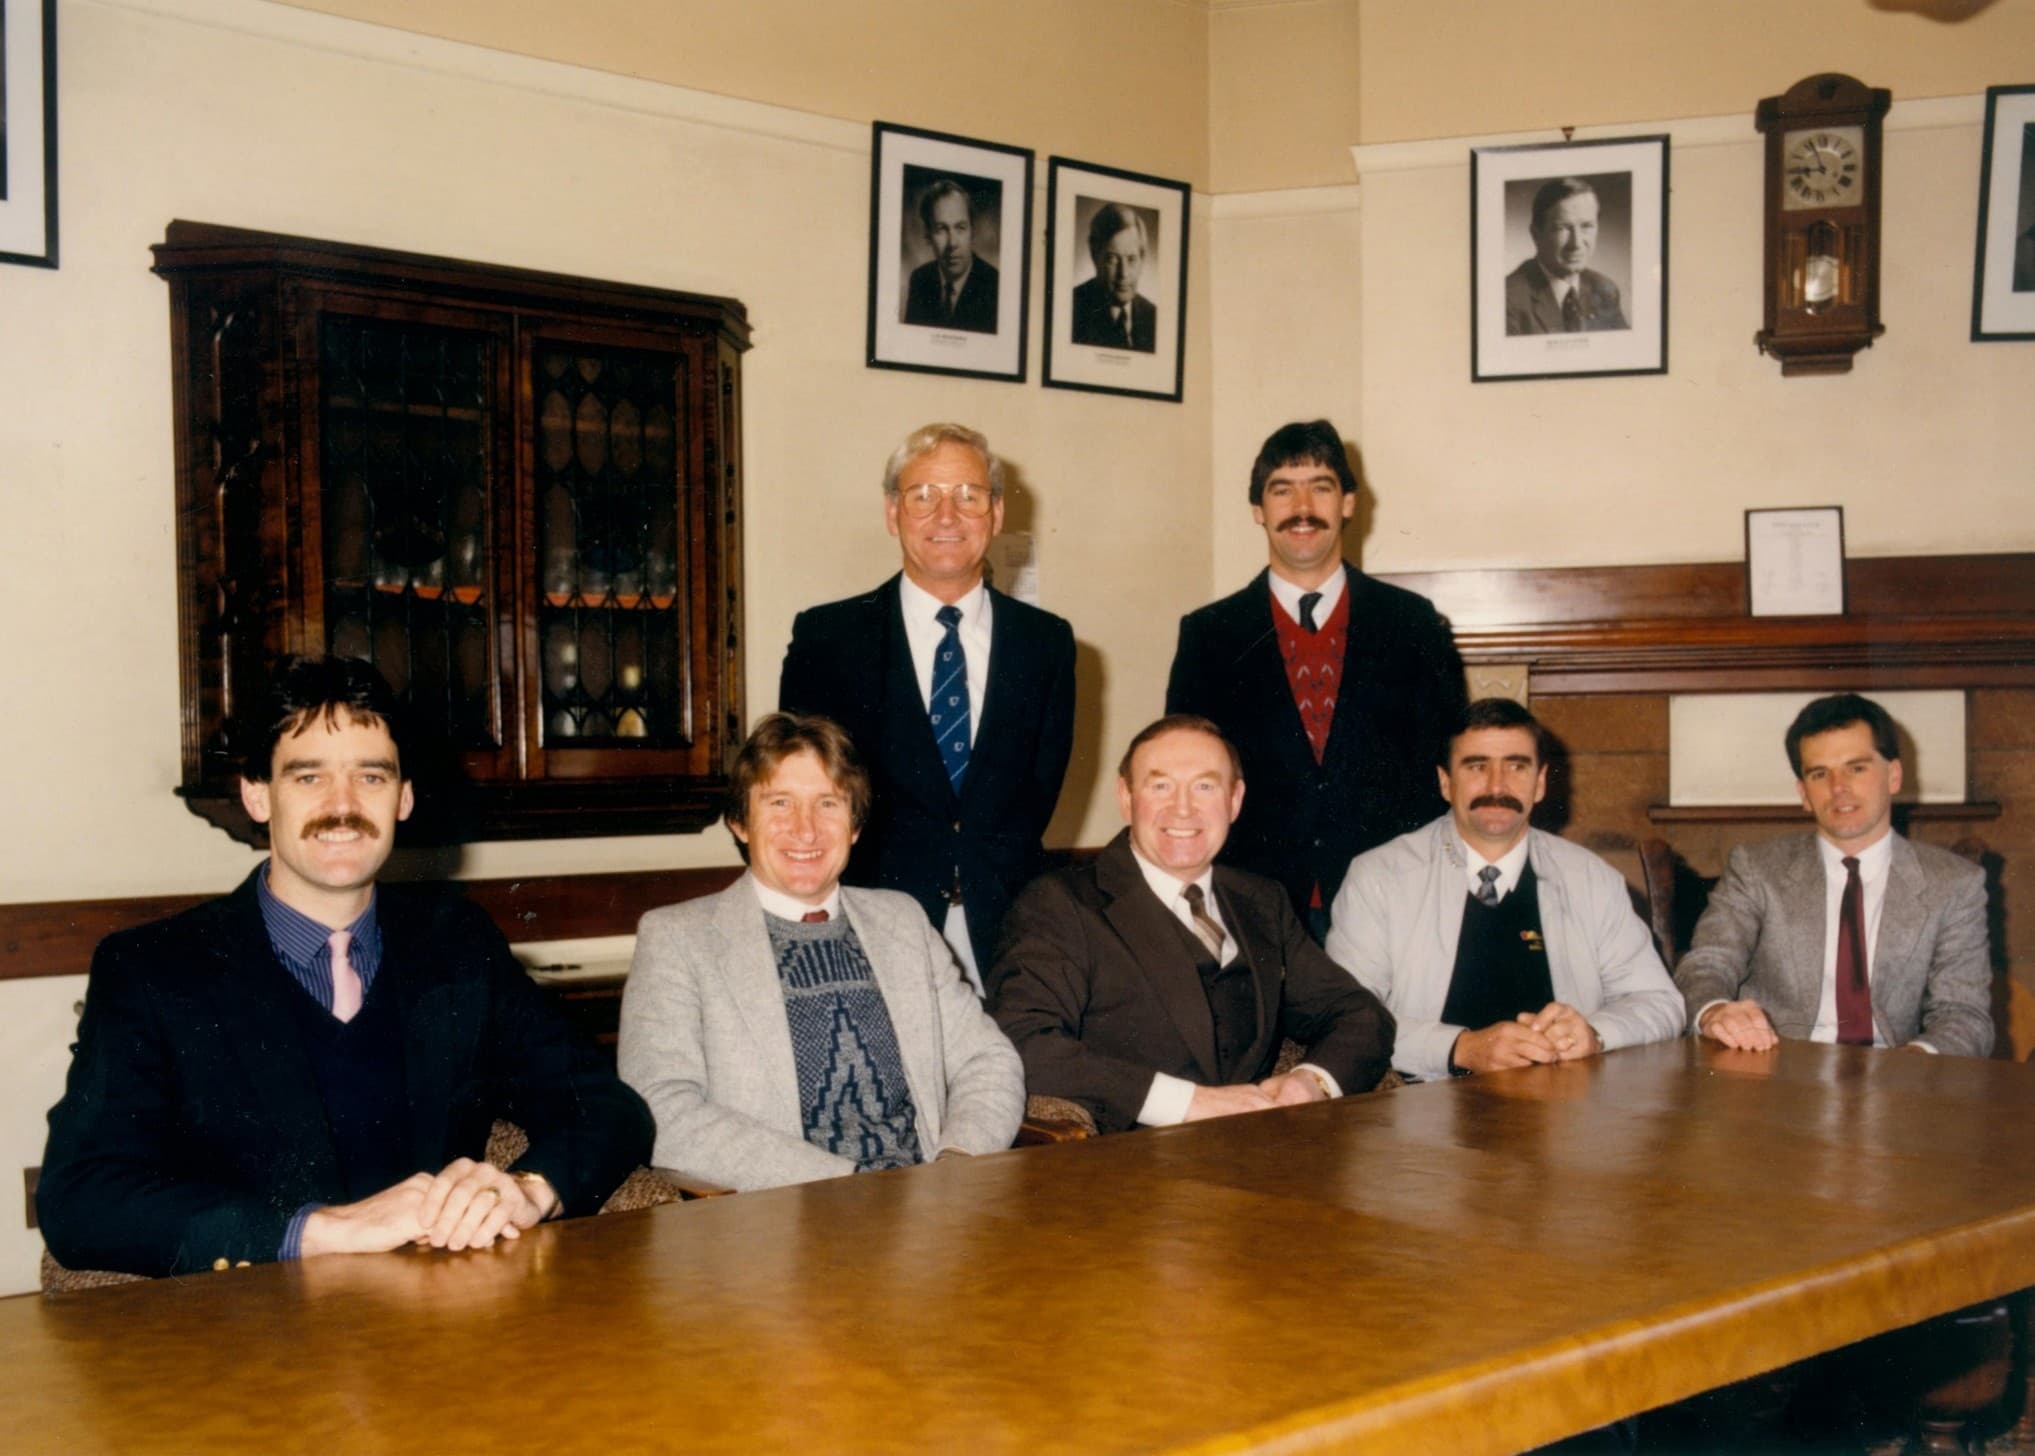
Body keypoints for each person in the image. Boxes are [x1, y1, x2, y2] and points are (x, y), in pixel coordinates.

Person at [37, 656, 652, 1278]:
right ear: (257, 795)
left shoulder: (459, 946)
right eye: (309, 777)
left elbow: (605, 1104)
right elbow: (80, 1194)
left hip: (450, 1312)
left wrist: (530, 1190)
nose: (342, 806)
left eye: (371, 777)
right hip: (252, 1322)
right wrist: (319, 1232)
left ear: (404, 798)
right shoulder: (153, 969)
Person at [619, 714, 1023, 1190]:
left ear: (855, 826)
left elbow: (988, 1060)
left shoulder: (903, 922)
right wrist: (846, 1185)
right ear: (740, 822)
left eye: (827, 803)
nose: (805, 830)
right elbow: (662, 1109)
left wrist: (958, 1160)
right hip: (785, 1211)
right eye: (780, 803)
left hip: (932, 1203)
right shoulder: (678, 939)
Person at [988, 715, 1395, 1135]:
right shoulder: (1061, 904)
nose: (1182, 809)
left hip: (1266, 1151)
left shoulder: (1262, 900)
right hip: (1126, 1161)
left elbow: (1360, 1014)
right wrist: (1186, 1103)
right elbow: (1021, 1041)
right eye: (1161, 786)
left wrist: (1312, 1082)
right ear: (1126, 797)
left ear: (1234, 800)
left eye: (1204, 787)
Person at [779, 422, 1076, 989]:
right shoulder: (828, 639)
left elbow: (1038, 797)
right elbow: (795, 796)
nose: (947, 516)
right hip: (868, 934)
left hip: (1010, 940)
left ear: (996, 513)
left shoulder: (1046, 643)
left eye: (969, 495)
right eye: (923, 496)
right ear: (893, 514)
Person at [1166, 419, 1465, 940]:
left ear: (1348, 502)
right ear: (1258, 510)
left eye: (1320, 487)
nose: (1302, 507)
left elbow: (1446, 763)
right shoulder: (1208, 635)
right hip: (1254, 904)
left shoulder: (1413, 623)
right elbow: (1185, 773)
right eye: (1282, 489)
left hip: (1393, 903)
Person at [1326, 698, 1682, 1080]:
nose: (1497, 786)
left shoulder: (1591, 879)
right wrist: (1459, 1048)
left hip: (1566, 1105)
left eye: (1516, 766)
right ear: (1445, 782)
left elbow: (1660, 1002)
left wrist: (1595, 1034)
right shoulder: (1379, 878)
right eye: (1477, 766)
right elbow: (1346, 1017)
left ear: (1540, 783)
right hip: (1425, 1102)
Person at [1675, 693, 1993, 1057]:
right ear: (1803, 793)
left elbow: (1965, 1016)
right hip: (1776, 1068)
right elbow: (1707, 964)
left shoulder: (1954, 884)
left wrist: (1912, 1063)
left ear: (1893, 776)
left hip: (1897, 1072)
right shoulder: (1756, 869)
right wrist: (1715, 1011)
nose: (1838, 787)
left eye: (1856, 768)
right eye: (1819, 773)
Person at [1503, 177, 1629, 335]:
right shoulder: (1507, 300)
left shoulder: (1604, 290)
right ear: (1536, 234)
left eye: (1587, 226)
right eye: (1561, 228)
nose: (1576, 243)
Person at [902, 178, 999, 333]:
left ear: (972, 231)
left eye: (960, 227)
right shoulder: (920, 279)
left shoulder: (995, 285)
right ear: (928, 234)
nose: (952, 243)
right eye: (941, 229)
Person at [1068, 202, 1157, 352]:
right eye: (1112, 259)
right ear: (1095, 256)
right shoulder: (1071, 308)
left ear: (1142, 260)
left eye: (1131, 259)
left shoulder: (1154, 317)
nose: (1123, 273)